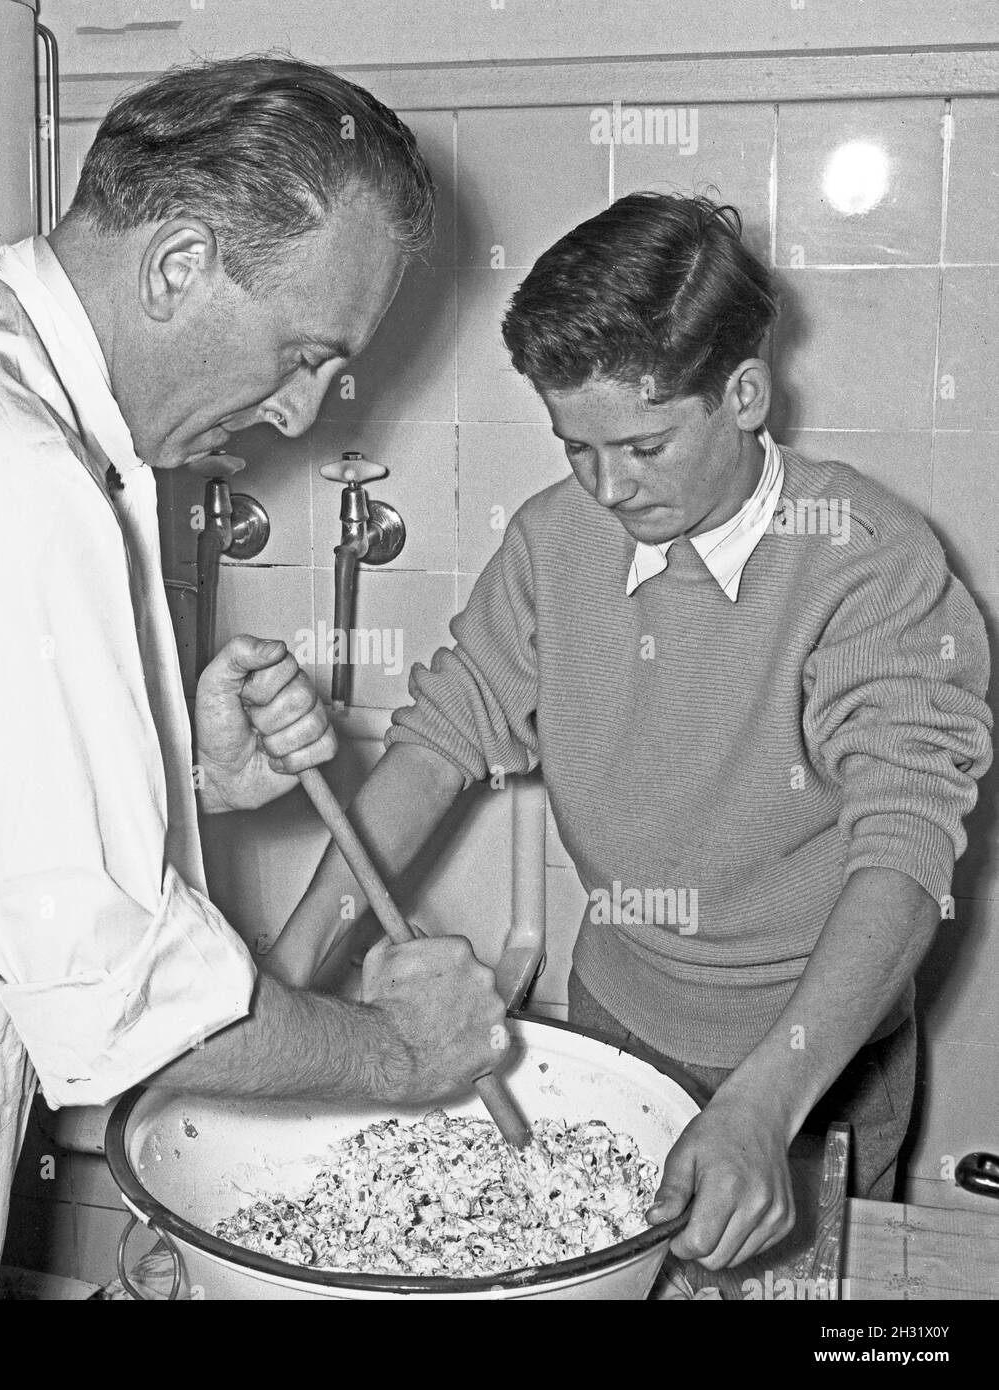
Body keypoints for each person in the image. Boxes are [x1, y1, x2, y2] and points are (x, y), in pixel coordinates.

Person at [0, 56, 507, 1299]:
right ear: (178, 264)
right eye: (302, 354)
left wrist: (179, 762)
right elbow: (129, 1008)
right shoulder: (2, 470)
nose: (299, 416)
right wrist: (405, 1053)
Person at [267, 192, 993, 1272]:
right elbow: (438, 742)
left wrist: (766, 1101)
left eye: (644, 445)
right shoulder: (555, 542)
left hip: (813, 1052)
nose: (608, 487)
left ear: (744, 394)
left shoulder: (871, 562)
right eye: (576, 448)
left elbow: (904, 849)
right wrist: (279, 976)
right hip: (618, 1019)